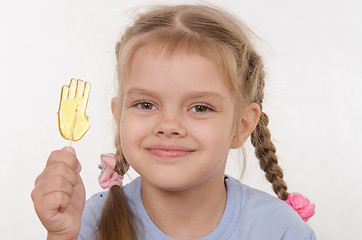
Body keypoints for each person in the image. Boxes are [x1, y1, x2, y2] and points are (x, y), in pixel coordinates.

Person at [31, 4, 317, 240]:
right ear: (119, 115)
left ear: (241, 126)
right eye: (146, 104)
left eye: (200, 107)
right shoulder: (88, 223)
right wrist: (60, 235)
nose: (168, 125)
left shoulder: (280, 230)